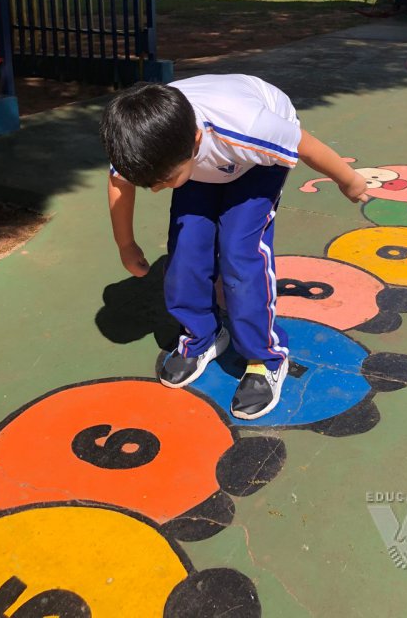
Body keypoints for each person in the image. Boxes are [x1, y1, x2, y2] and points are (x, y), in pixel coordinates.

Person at [99, 74, 368, 421]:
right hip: (202, 162)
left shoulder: (251, 127)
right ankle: (202, 335)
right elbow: (118, 181)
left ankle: (265, 357)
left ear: (195, 142)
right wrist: (125, 242)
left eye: (162, 182)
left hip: (255, 162)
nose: (155, 190)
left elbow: (304, 144)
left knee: (240, 251)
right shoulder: (143, 138)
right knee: (186, 247)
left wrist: (348, 179)